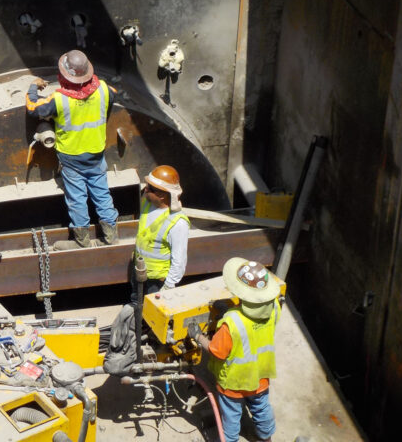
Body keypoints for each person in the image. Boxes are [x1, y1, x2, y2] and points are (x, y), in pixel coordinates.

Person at [26, 50, 119, 249]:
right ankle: (111, 236)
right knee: (102, 194)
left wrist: (33, 87)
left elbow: (33, 108)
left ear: (64, 76)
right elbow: (112, 97)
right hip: (96, 153)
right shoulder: (104, 89)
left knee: (77, 198)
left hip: (72, 158)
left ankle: (82, 240)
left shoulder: (59, 99)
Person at [188, 257, 282, 442]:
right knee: (261, 408)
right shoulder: (275, 307)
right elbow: (256, 327)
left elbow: (216, 351)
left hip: (233, 384)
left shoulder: (231, 323)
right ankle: (265, 437)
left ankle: (229, 439)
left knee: (231, 415)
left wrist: (198, 336)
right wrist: (231, 310)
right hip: (260, 377)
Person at [131, 165, 190, 304]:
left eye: (150, 189)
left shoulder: (177, 223)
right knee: (138, 307)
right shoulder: (147, 203)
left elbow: (179, 260)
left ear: (162, 195)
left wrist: (168, 286)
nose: (145, 190)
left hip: (157, 283)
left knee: (154, 317)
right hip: (139, 272)